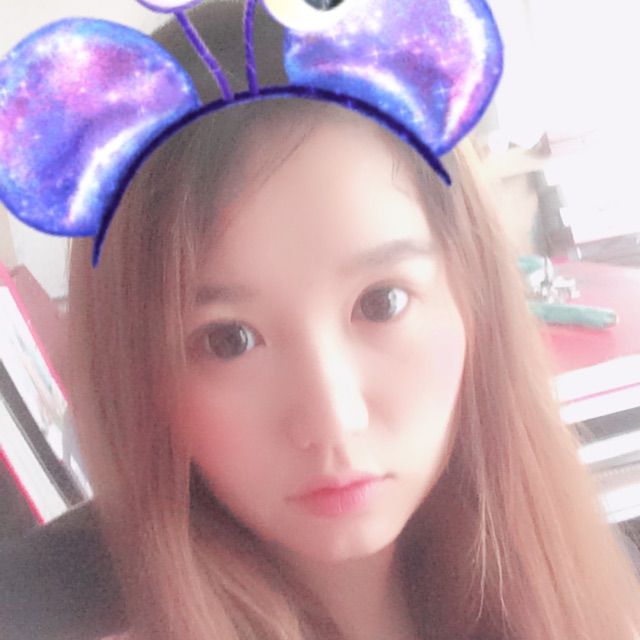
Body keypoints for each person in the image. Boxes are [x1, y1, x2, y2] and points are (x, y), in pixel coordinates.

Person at [63, 2, 640, 640]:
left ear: (472, 293)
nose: (333, 419)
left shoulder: (584, 597)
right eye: (229, 340)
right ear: (136, 377)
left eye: (381, 302)